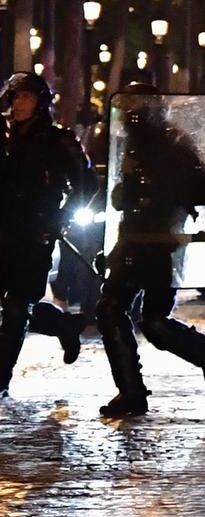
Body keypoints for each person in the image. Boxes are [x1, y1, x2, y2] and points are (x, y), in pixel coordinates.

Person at [96, 82, 205, 418]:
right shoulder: (129, 146)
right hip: (131, 239)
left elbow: (202, 193)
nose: (133, 114)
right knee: (111, 310)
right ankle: (131, 393)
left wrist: (162, 196)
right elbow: (119, 197)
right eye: (129, 107)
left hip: (162, 243)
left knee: (155, 322)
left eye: (139, 106)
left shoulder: (174, 145)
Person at [0, 73, 97, 398]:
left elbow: (86, 183)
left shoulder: (57, 140)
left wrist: (61, 218)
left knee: (17, 307)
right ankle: (63, 325)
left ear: (40, 102)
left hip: (34, 233)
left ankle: (0, 379)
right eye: (15, 97)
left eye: (26, 97)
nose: (19, 104)